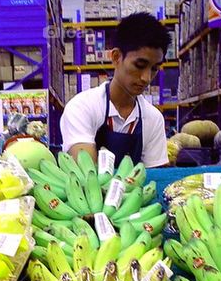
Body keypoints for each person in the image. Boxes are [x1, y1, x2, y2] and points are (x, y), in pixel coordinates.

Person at [61, 12, 170, 168]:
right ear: (116, 57)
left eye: (154, 69)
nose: (146, 78)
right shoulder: (82, 108)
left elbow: (155, 180)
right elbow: (87, 175)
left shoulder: (153, 118)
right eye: (139, 65)